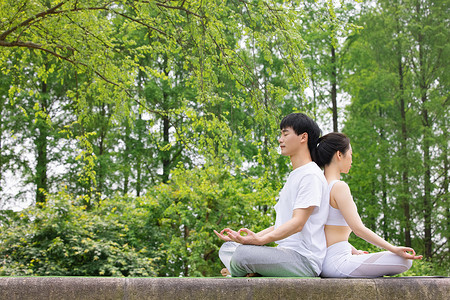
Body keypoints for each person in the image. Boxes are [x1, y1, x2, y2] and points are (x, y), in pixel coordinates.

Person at [214, 113, 329, 277]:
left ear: (303, 137)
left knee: (241, 255)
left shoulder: (310, 175)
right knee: (230, 248)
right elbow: (281, 224)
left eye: (285, 133)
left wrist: (260, 241)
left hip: (304, 260)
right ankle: (250, 269)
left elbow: (297, 223)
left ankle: (240, 271)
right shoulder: (294, 175)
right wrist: (242, 238)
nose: (280, 139)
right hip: (284, 254)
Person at [315, 132, 422, 278]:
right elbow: (358, 229)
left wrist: (353, 250)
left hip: (326, 261)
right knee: (403, 260)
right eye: (350, 153)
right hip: (337, 263)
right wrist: (393, 248)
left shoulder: (318, 187)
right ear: (339, 155)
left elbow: (325, 231)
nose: (352, 159)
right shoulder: (339, 187)